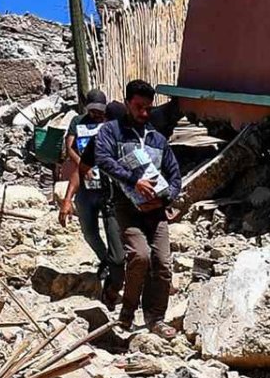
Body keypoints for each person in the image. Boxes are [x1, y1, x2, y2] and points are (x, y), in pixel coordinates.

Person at [93, 83, 179, 330]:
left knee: (162, 263)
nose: (143, 113)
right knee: (140, 256)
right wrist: (134, 181)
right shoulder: (111, 131)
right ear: (127, 102)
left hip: (156, 210)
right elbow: (103, 159)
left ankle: (156, 319)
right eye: (139, 107)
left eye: (148, 108)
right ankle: (127, 313)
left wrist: (165, 198)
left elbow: (175, 176)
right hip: (127, 208)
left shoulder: (157, 139)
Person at [55, 96, 117, 288]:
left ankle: (116, 267)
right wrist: (67, 198)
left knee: (113, 232)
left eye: (100, 111)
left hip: (108, 189)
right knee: (89, 232)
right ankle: (105, 259)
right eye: (93, 111)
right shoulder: (78, 122)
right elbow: (70, 147)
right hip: (86, 186)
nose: (96, 115)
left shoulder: (112, 123)